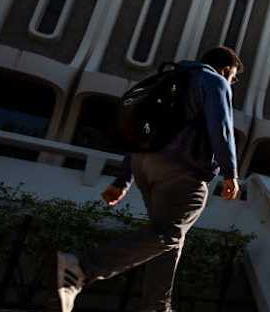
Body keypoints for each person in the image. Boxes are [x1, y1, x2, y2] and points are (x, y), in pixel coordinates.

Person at [53, 47, 244, 312]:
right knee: (168, 235)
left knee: (167, 240)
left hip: (145, 167)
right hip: (182, 172)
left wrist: (122, 180)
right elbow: (220, 128)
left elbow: (142, 129)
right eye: (233, 77)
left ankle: (155, 307)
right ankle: (82, 267)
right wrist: (230, 173)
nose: (231, 82)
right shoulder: (214, 81)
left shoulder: (171, 79)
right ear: (226, 69)